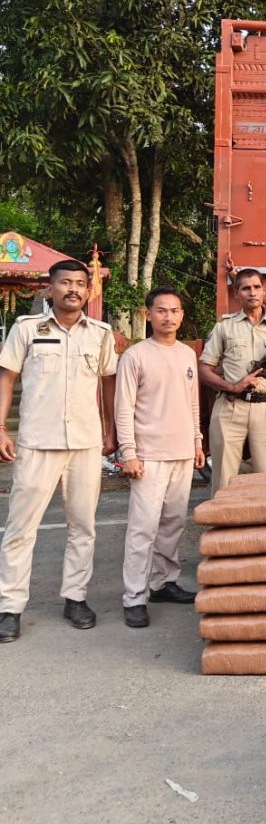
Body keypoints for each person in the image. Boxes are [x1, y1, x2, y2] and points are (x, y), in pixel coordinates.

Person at [0, 259, 117, 643]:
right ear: (49, 289)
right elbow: (7, 378)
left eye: (80, 284)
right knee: (20, 527)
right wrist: (1, 427)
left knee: (83, 527)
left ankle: (76, 597)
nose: (73, 289)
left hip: (84, 443)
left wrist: (111, 430)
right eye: (65, 282)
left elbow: (108, 384)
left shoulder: (100, 334)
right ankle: (10, 606)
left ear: (88, 291)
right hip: (38, 442)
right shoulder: (26, 329)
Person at [115, 287, 205, 628]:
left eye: (175, 310)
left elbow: (193, 402)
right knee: (143, 528)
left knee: (172, 524)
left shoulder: (185, 355)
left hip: (182, 452)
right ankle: (134, 597)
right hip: (149, 456)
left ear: (182, 315)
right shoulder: (136, 356)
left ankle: (163, 582)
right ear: (148, 314)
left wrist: (197, 441)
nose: (169, 317)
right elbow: (123, 408)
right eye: (162, 311)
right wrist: (130, 453)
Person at [198, 268, 266, 494]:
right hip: (231, 406)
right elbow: (204, 369)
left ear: (264, 291)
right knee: (223, 480)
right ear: (236, 293)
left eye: (257, 287)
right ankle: (221, 526)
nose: (252, 293)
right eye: (246, 288)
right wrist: (232, 386)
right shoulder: (224, 325)